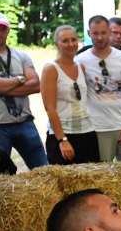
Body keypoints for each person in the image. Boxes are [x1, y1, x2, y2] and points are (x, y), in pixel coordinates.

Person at [0, 12, 47, 169]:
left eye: (3, 29)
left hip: (25, 122)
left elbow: (35, 85)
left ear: (8, 31)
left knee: (43, 169)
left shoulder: (22, 56)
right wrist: (19, 80)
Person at [77, 16, 121, 163]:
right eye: (95, 33)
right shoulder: (80, 60)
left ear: (109, 32)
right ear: (89, 33)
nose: (100, 37)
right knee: (101, 173)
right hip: (96, 129)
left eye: (103, 32)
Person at [41, 25, 99, 165]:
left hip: (87, 132)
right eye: (65, 41)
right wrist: (62, 140)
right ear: (57, 44)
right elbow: (50, 108)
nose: (71, 44)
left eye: (73, 40)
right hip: (63, 135)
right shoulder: (51, 69)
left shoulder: (81, 66)